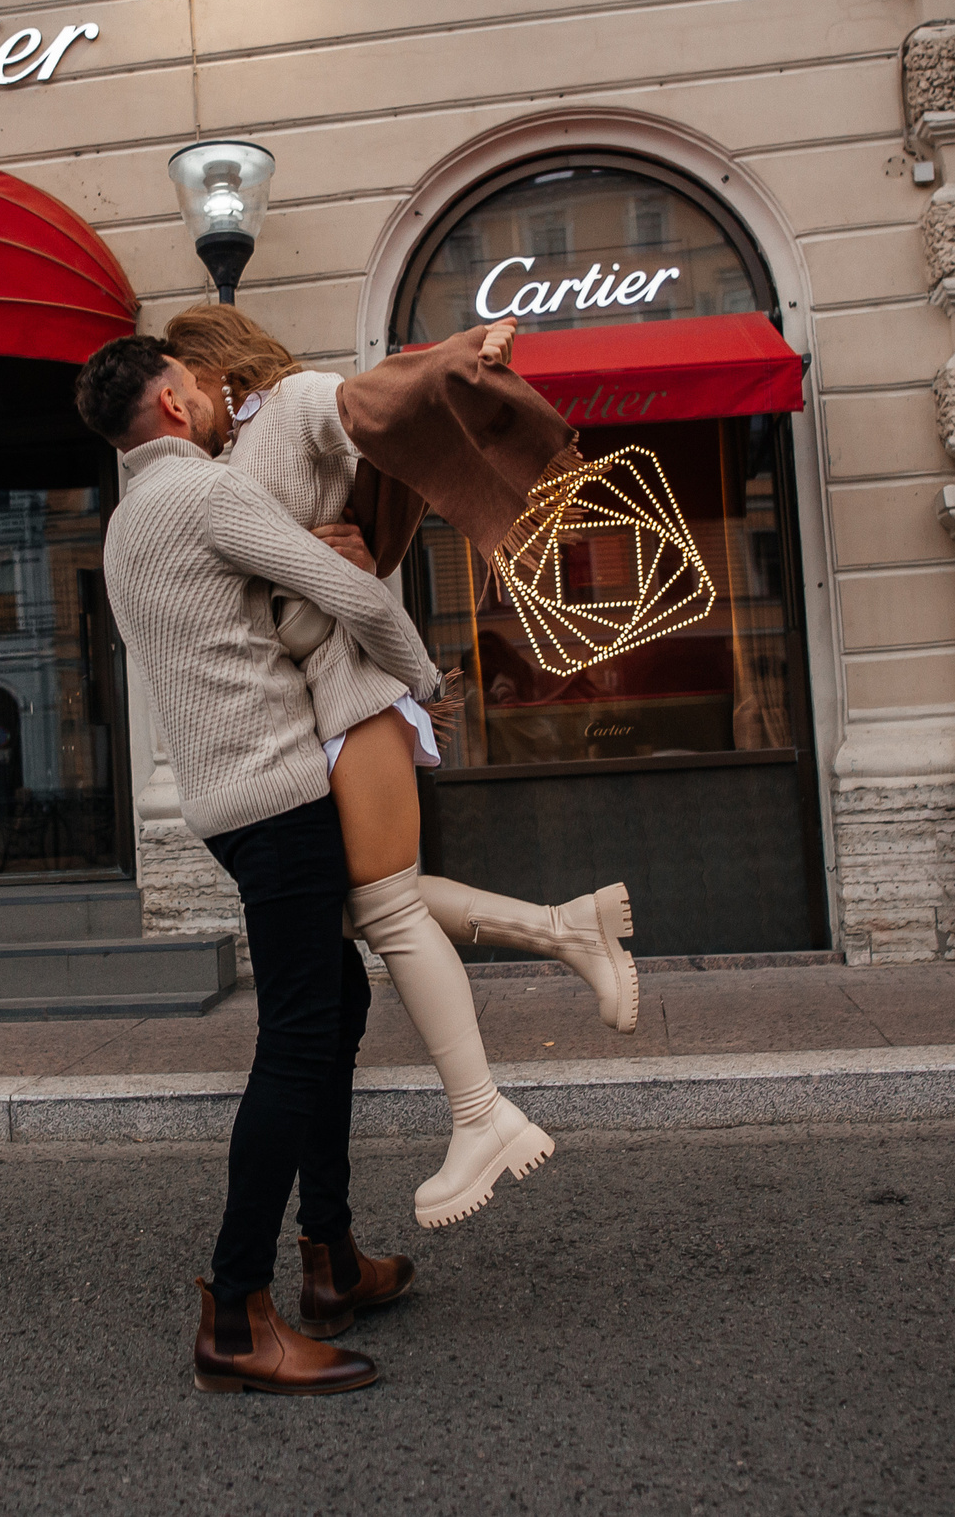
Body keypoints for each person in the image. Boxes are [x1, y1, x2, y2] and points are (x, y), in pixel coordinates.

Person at [165, 303, 639, 1231]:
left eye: (181, 380)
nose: (181, 404)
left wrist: (460, 357)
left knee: (380, 908)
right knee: (364, 901)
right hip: (328, 704)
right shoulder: (230, 457)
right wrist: (345, 548)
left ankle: (481, 1112)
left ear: (215, 367)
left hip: (355, 693)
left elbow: (373, 403)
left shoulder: (291, 402)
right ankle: (565, 929)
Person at [76, 333, 435, 1396]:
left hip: (228, 804)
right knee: (296, 1041)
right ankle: (236, 1317)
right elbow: (358, 601)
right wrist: (430, 685)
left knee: (336, 1000)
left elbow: (252, 624)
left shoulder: (127, 522)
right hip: (280, 799)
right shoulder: (202, 495)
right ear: (175, 407)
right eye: (199, 386)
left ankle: (330, 1261)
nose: (222, 398)